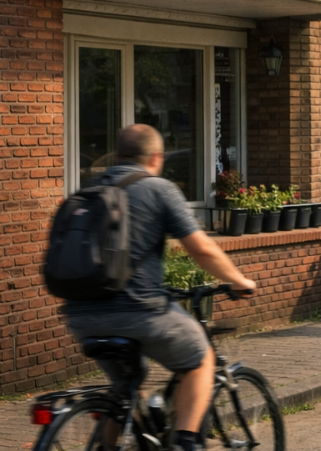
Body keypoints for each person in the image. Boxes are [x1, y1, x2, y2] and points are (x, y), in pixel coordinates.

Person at [63, 124, 256, 451]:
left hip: (80, 315)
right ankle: (185, 441)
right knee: (201, 358)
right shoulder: (158, 189)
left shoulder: (89, 190)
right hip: (137, 312)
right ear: (156, 157)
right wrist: (240, 281)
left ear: (118, 154)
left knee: (125, 386)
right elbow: (202, 249)